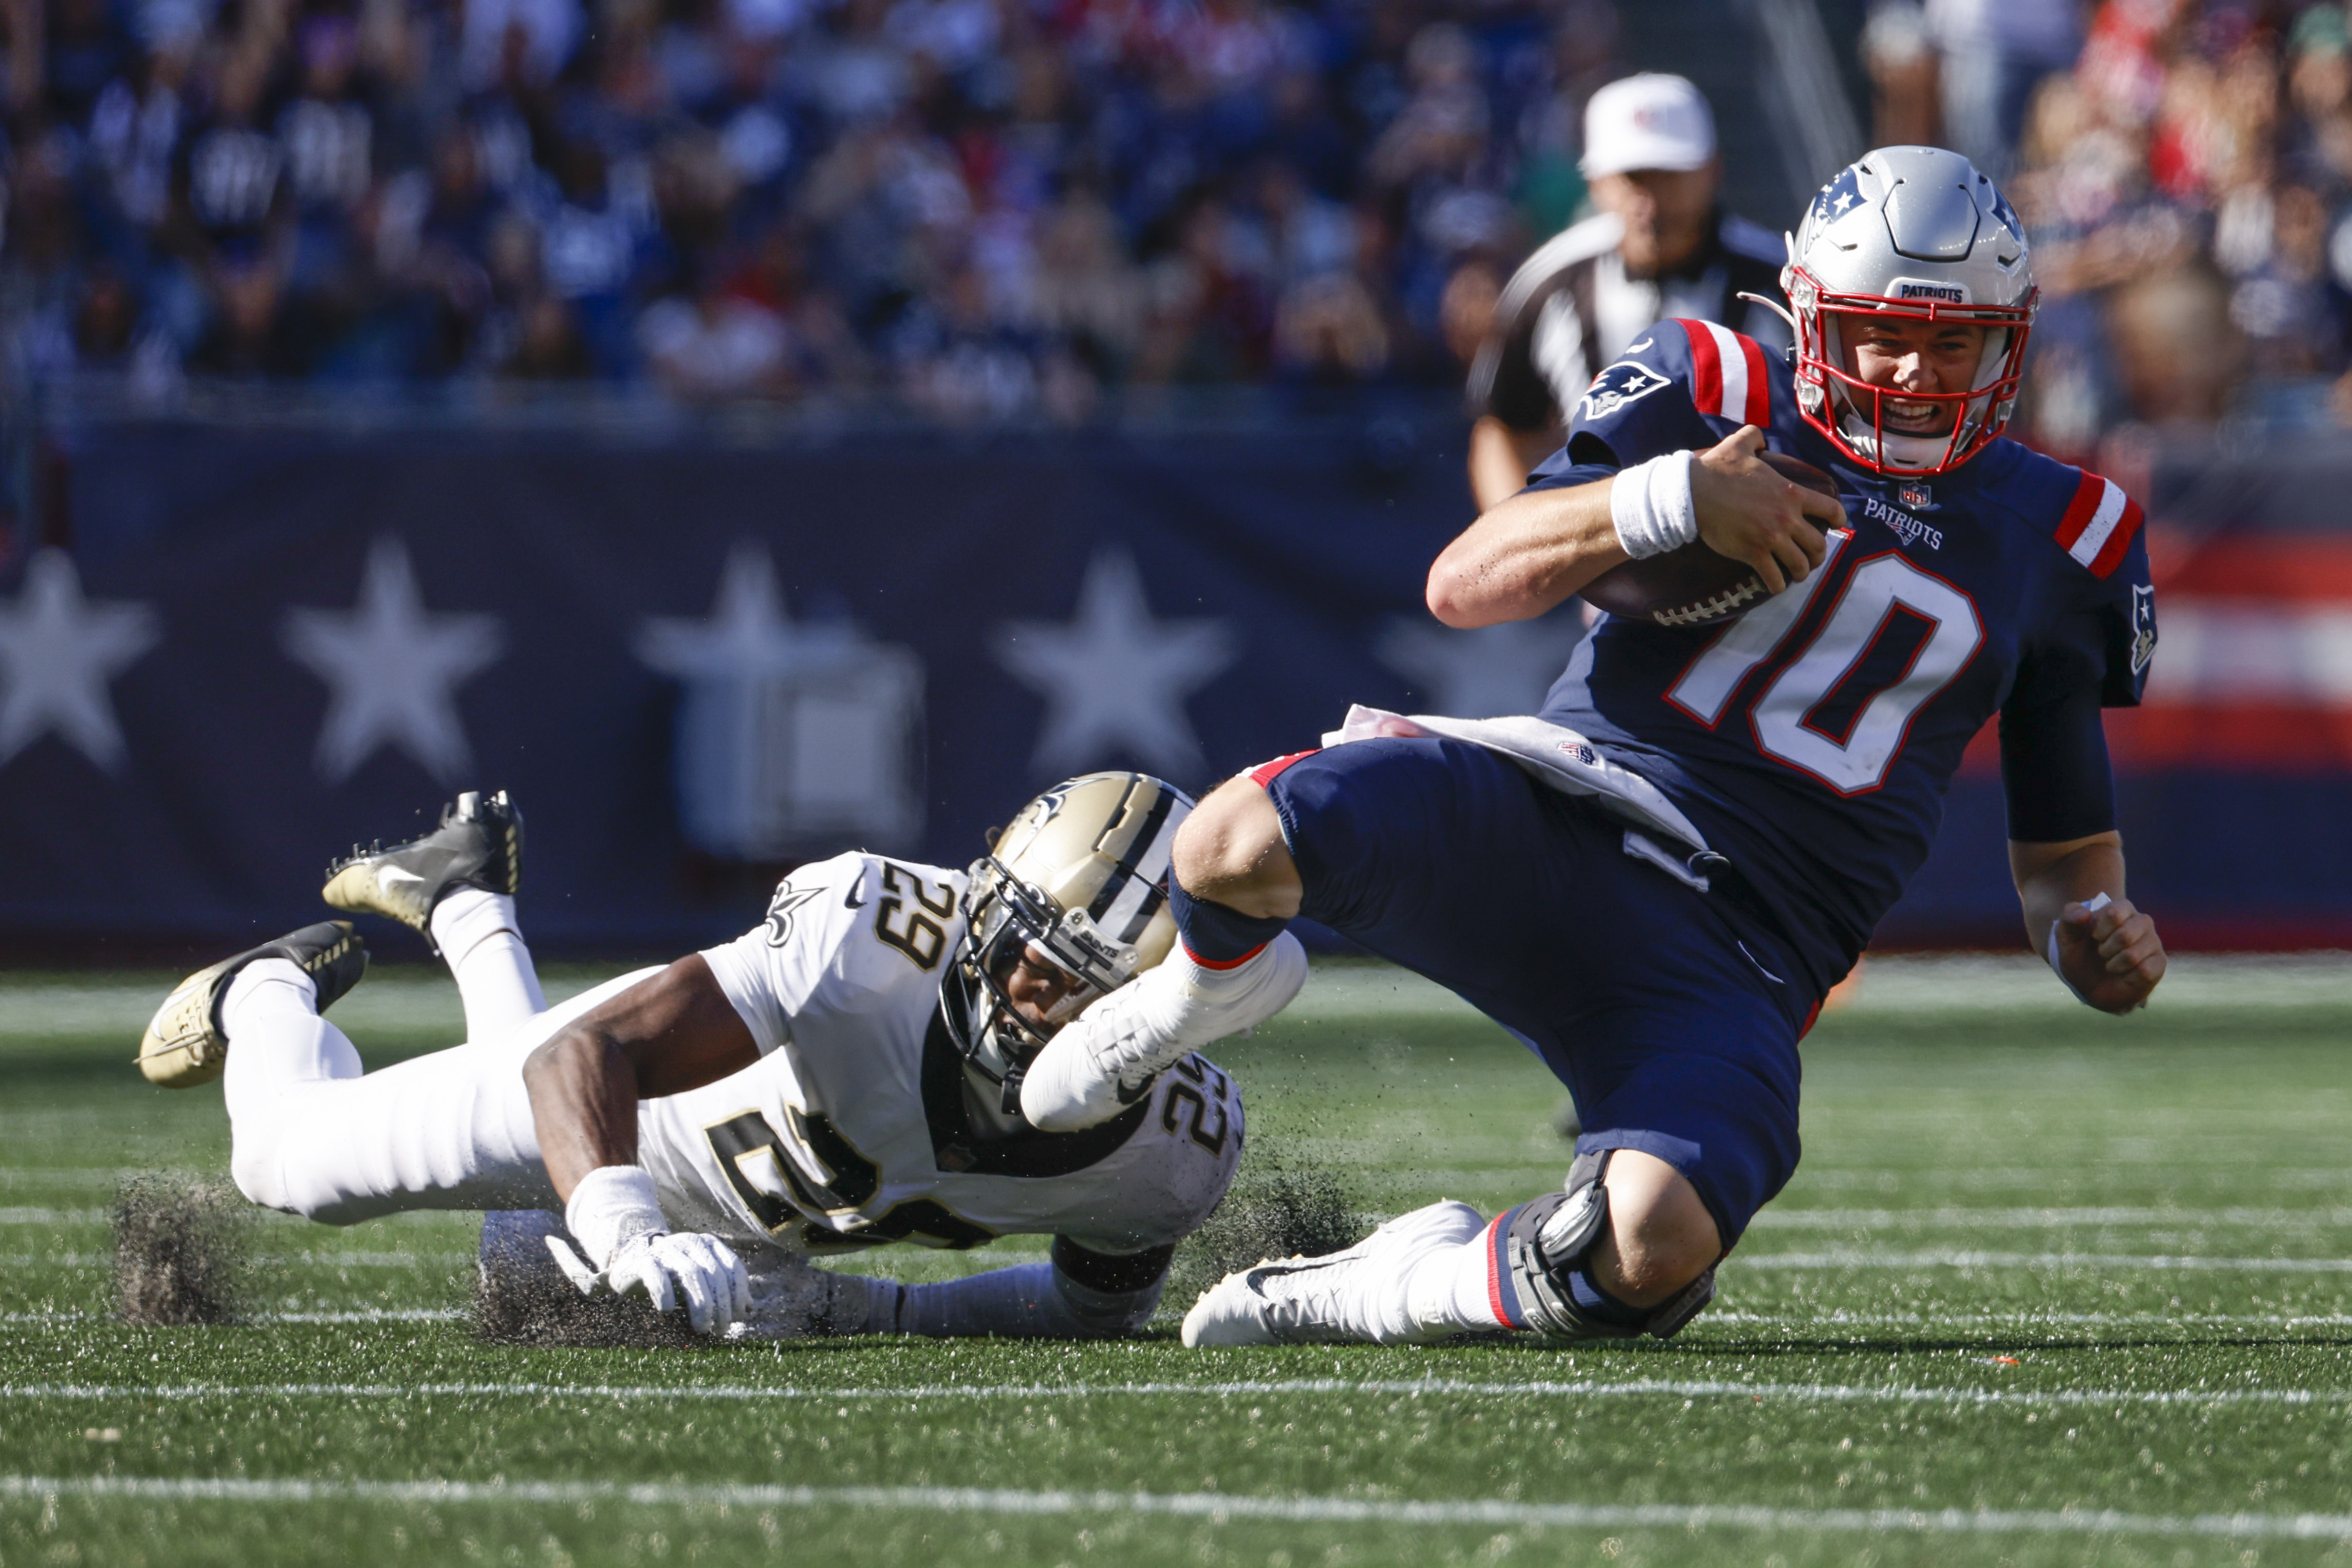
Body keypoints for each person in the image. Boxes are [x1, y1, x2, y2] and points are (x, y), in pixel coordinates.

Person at [1017, 146, 2168, 1349]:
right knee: (1231, 839)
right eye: (1881, 333)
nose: (1913, 374)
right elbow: (1464, 581)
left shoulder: (2068, 536)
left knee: (1648, 1249)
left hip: (1747, 945)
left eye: (1953, 343)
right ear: (1809, 310)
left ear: (2013, 338)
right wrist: (1667, 496)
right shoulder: (1709, 380)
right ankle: (1200, 992)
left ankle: (1387, 1282)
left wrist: (2086, 933)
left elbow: (2065, 854)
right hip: (1564, 808)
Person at [137, 776, 1256, 1340]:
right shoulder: (864, 942)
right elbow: (587, 1052)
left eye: (1074, 982)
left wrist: (858, 1308)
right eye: (1014, 944)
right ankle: (268, 989)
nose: (1025, 993)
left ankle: (464, 896)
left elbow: (1087, 1315)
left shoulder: (1171, 1154)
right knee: (283, 1164)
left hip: (742, 1213)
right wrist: (623, 1226)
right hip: (634, 1122)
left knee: (524, 1286)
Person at [1464, 73, 1792, 512]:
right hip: (1597, 552)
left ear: (1713, 170)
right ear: (1596, 181)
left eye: (1668, 176)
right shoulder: (1549, 283)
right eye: (1633, 178)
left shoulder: (1783, 282)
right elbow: (1501, 428)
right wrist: (1522, 544)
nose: (1650, 201)